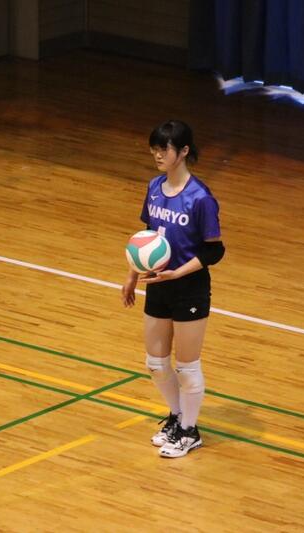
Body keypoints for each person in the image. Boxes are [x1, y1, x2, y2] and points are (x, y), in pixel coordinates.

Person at [122, 120, 224, 458]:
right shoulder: (154, 187)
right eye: (154, 149)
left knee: (187, 367)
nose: (157, 155)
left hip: (189, 288)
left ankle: (190, 432)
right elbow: (146, 236)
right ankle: (178, 417)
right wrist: (132, 275)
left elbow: (214, 251)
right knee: (155, 362)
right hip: (158, 285)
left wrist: (177, 273)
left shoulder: (200, 198)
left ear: (183, 151)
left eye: (163, 149)